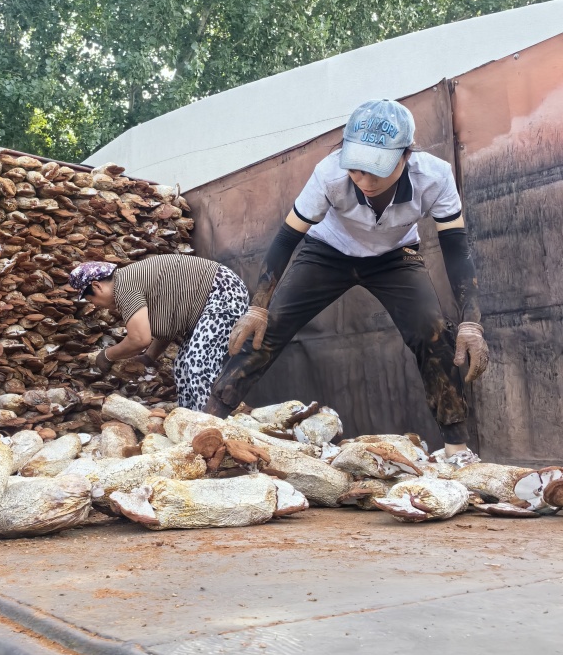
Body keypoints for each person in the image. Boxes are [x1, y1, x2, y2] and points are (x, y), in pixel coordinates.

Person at [205, 98, 489, 466]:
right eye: (357, 169)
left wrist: (471, 322)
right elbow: (287, 237)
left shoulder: (435, 176)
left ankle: (457, 449)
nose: (365, 181)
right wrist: (258, 306)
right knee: (267, 329)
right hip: (326, 252)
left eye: (377, 171)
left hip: (394, 258)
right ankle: (206, 425)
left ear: (406, 156)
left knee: (433, 330)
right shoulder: (329, 174)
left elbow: (456, 247)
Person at [68, 254, 249, 412]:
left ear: (97, 286)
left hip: (224, 292)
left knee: (198, 362)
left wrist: (107, 355)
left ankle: (213, 423)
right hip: (213, 299)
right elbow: (167, 328)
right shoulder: (133, 282)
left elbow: (139, 339)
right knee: (182, 367)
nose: (95, 305)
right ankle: (192, 420)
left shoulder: (124, 286)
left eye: (91, 298)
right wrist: (149, 357)